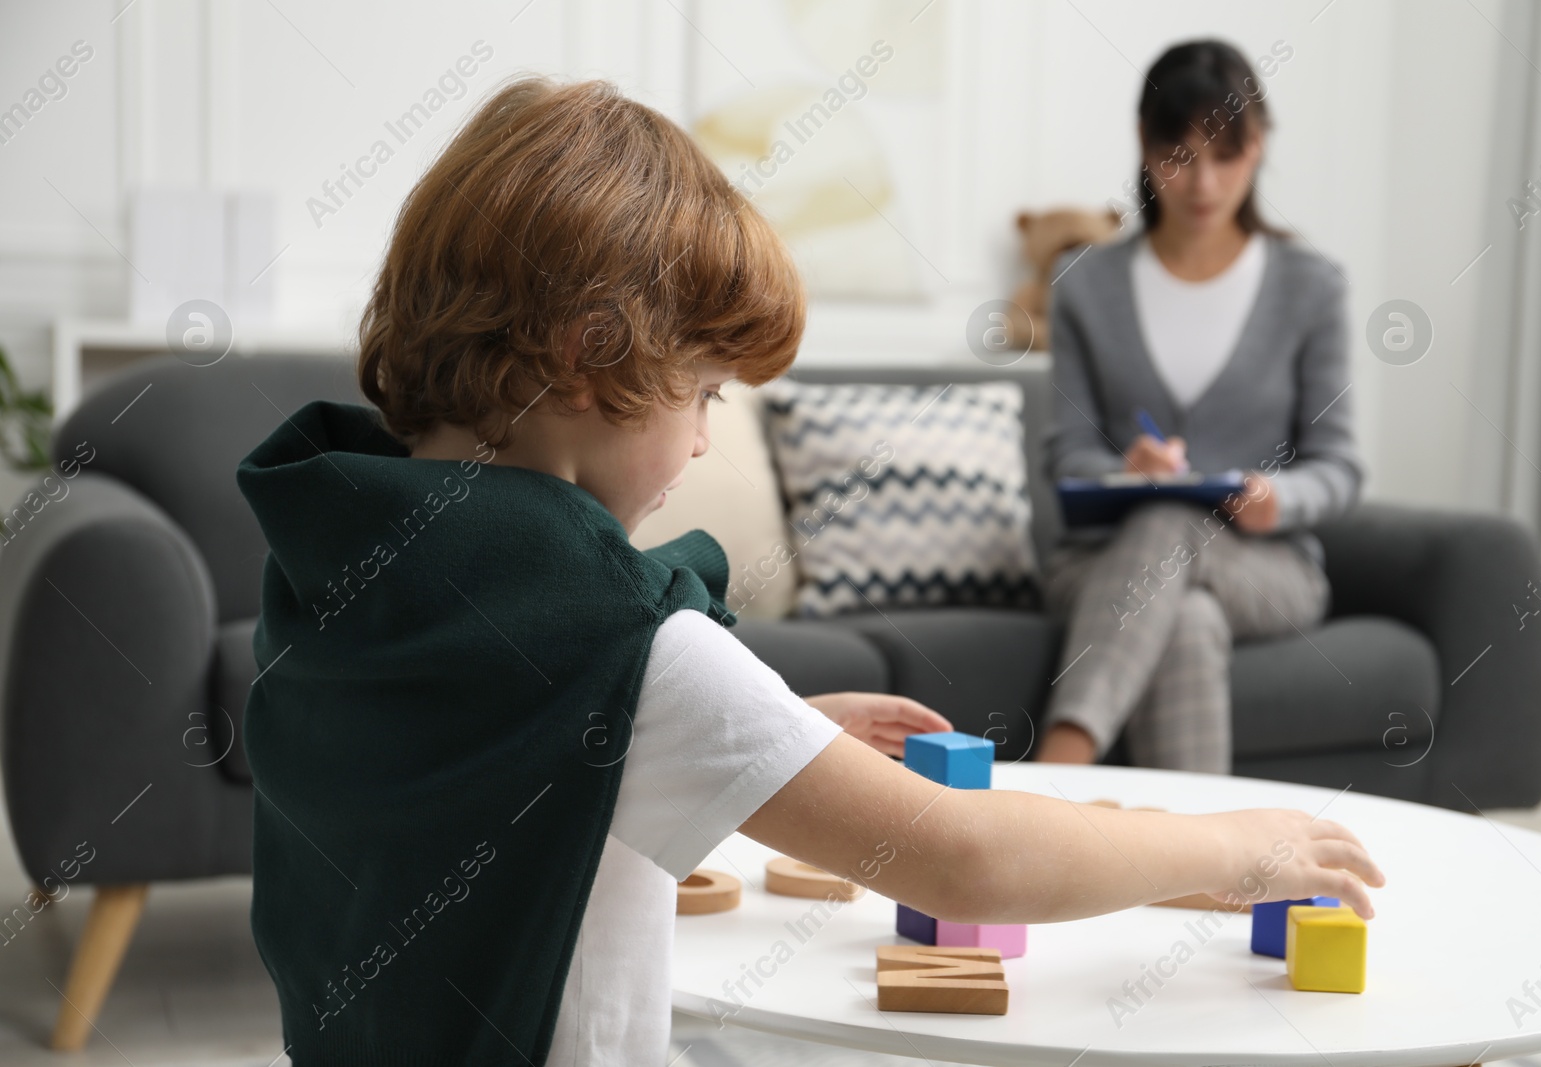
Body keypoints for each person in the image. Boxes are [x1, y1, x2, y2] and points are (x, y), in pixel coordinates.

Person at [236, 74, 1383, 1065]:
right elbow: (968, 861)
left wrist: (770, 732)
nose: (699, 438)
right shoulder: (616, 645)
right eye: (704, 393)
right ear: (586, 362)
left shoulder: (342, 559)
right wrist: (1239, 847)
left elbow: (500, 769)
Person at [1035, 39, 1362, 774]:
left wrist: (1281, 496)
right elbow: (1066, 454)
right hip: (1103, 564)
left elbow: (1340, 466)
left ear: (1260, 145)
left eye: (1226, 155)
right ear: (1143, 148)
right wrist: (1126, 467)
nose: (1203, 183)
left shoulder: (1312, 287)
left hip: (1267, 567)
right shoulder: (1085, 283)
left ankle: (1058, 765)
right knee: (1186, 614)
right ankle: (1203, 874)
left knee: (1173, 524)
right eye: (1178, 156)